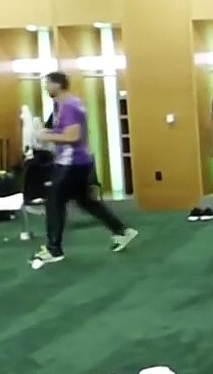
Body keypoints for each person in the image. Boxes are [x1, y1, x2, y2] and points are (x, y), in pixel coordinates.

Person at [30, 71, 138, 266]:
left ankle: (54, 249)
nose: (45, 88)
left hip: (70, 164)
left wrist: (45, 136)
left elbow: (73, 136)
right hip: (77, 162)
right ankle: (122, 232)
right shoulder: (64, 105)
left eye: (47, 84)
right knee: (86, 201)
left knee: (54, 201)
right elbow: (65, 132)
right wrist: (48, 132)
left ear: (57, 85)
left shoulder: (70, 106)